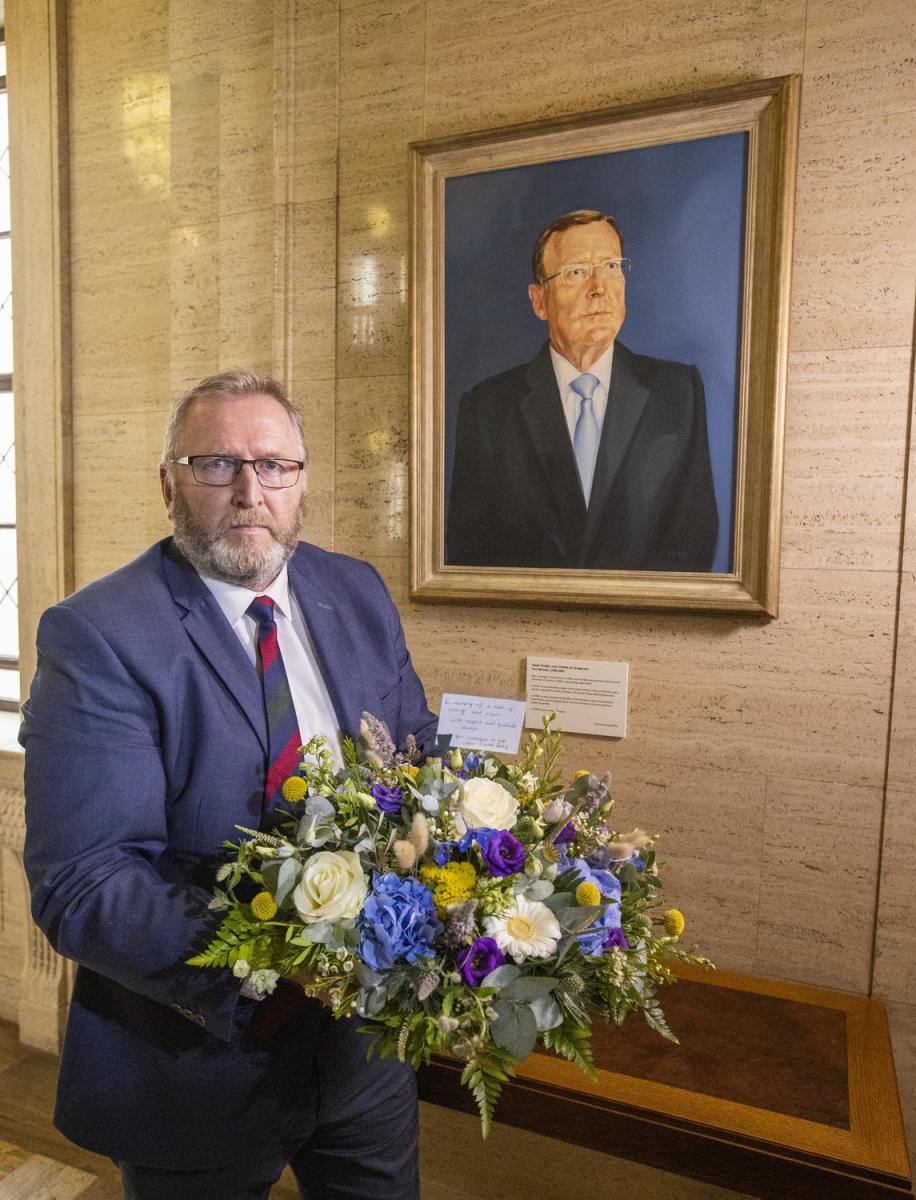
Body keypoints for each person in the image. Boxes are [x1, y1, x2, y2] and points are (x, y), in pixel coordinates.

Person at [20, 371, 436, 1200]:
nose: (250, 491)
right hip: (194, 1062)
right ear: (168, 484)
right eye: (216, 465)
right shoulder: (99, 636)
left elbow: (415, 754)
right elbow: (84, 883)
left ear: (303, 483)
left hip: (364, 1054)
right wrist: (287, 954)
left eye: (274, 466)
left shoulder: (355, 591)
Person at [446, 209, 719, 571]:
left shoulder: (678, 393)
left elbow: (694, 536)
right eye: (576, 272)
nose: (599, 289)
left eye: (611, 267)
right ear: (539, 301)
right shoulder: (488, 408)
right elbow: (470, 550)